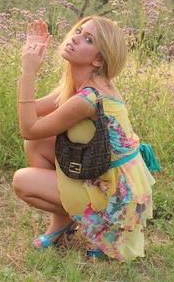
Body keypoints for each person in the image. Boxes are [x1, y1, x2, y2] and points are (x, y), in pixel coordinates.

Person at [12, 15, 159, 262]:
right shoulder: (83, 84)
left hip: (113, 195)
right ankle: (62, 223)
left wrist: (28, 72)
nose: (75, 38)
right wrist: (28, 61)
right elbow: (32, 112)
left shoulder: (88, 98)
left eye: (88, 39)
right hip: (103, 174)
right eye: (78, 31)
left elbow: (28, 126)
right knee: (36, 144)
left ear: (98, 59)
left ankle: (101, 229)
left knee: (22, 180)